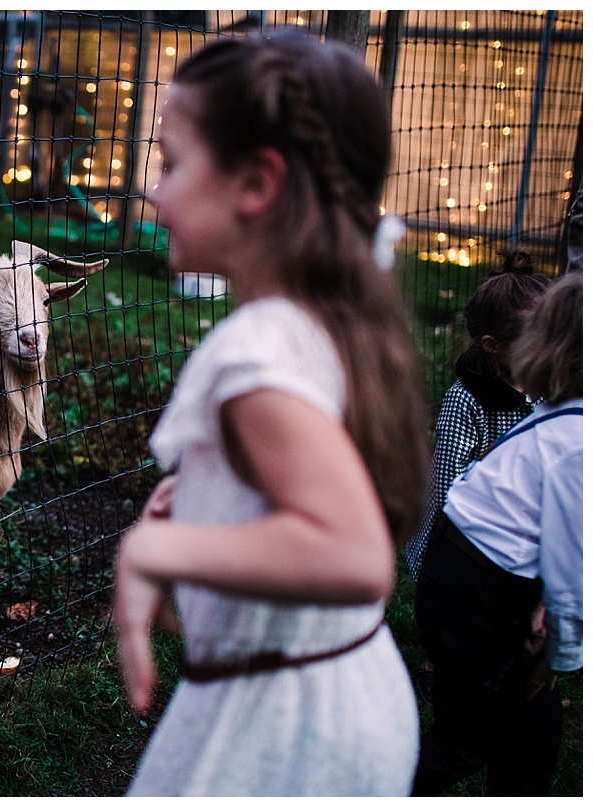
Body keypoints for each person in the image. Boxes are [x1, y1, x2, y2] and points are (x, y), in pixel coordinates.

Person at [112, 30, 430, 796]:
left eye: (170, 164)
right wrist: (210, 501)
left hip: (285, 731)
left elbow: (354, 557)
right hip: (347, 691)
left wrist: (157, 552)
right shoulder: (326, 315)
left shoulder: (253, 352)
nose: (152, 191)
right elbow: (313, 477)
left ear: (255, 182)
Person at [412, 271, 582, 796]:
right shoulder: (575, 442)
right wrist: (560, 654)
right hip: (471, 584)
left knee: (533, 738)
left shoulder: (559, 412)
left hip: (487, 576)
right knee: (467, 739)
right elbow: (572, 569)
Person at [403, 248, 550, 699]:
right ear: (493, 346)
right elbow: (447, 484)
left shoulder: (546, 391)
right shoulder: (467, 401)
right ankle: (437, 661)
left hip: (520, 524)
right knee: (455, 607)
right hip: (461, 532)